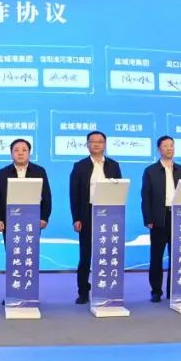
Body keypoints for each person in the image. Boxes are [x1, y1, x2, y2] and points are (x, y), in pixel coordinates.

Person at [69, 130, 122, 304]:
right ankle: (83, 292)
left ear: (105, 145)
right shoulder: (80, 166)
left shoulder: (114, 165)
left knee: (107, 253)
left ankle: (107, 288)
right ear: (87, 145)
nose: (97, 144)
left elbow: (119, 190)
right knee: (85, 256)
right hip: (87, 213)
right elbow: (74, 194)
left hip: (109, 214)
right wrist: (76, 218)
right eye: (93, 141)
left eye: (100, 141)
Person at [141, 135, 181, 302]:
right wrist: (148, 218)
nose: (169, 148)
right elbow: (145, 197)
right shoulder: (150, 171)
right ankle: (156, 291)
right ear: (159, 149)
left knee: (177, 256)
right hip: (159, 217)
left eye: (171, 145)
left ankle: (173, 290)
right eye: (166, 146)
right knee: (156, 257)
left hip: (178, 217)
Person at [0, 138, 52, 233]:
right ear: (11, 154)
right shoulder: (2, 173)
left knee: (30, 242)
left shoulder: (39, 171)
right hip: (8, 221)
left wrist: (44, 217)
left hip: (33, 220)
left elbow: (46, 196)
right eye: (16, 150)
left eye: (24, 150)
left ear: (29, 153)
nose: (20, 153)